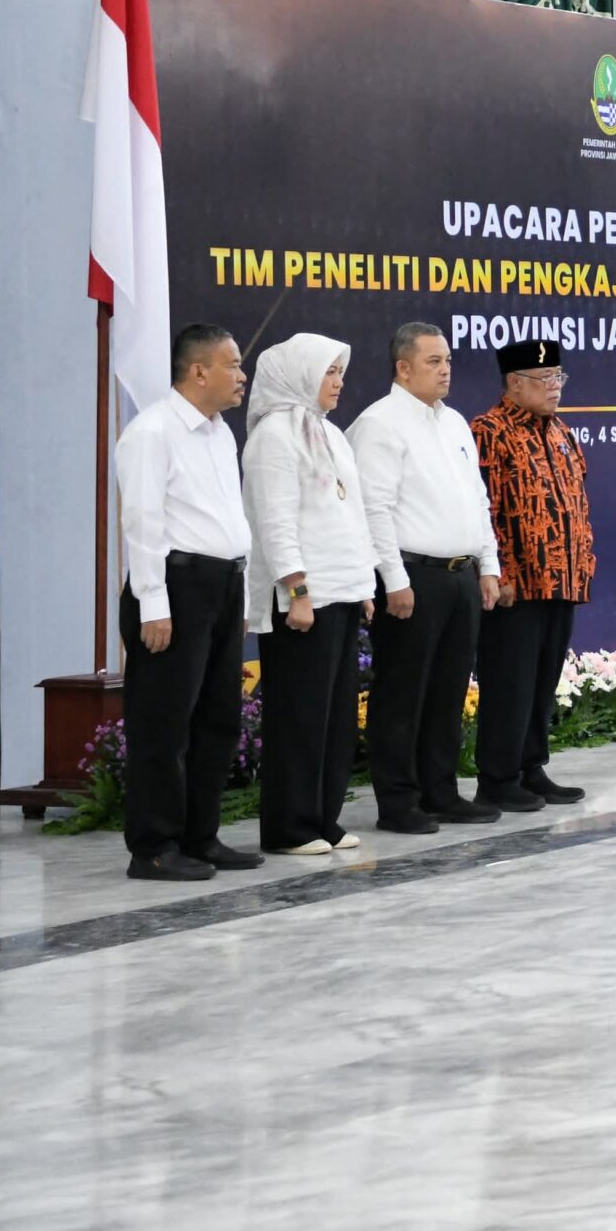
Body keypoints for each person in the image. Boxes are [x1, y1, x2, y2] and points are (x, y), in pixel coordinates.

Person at [113, 324, 261, 882]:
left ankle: (200, 837)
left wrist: (239, 592)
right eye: (233, 364)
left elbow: (226, 519)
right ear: (198, 371)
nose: (242, 376)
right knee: (163, 724)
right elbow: (143, 521)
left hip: (221, 586)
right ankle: (153, 845)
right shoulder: (153, 432)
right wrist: (153, 602)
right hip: (174, 588)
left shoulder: (221, 432)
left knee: (219, 719)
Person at [348, 322, 504, 834]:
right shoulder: (381, 424)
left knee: (448, 689)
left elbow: (476, 500)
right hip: (412, 574)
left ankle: (441, 790)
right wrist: (393, 579)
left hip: (459, 575)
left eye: (448, 360)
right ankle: (398, 800)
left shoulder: (455, 422)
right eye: (434, 361)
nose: (446, 370)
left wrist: (488, 564)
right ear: (403, 367)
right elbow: (375, 510)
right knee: (402, 692)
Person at [242, 334, 375, 857]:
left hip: (342, 592)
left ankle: (324, 817)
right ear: (298, 375)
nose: (338, 382)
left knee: (336, 716)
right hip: (303, 601)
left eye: (340, 372)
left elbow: (352, 514)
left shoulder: (331, 434)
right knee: (299, 716)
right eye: (328, 372)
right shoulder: (274, 436)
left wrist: (364, 585)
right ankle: (288, 826)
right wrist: (297, 590)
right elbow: (274, 521)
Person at [472, 339, 595, 811]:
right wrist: (497, 572)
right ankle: (498, 777)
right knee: (510, 681)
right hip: (515, 585)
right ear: (515, 384)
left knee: (543, 679)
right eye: (545, 381)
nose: (555, 388)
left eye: (559, 378)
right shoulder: (489, 431)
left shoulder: (560, 431)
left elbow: (576, 502)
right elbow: (488, 509)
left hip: (561, 578)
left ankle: (531, 767)